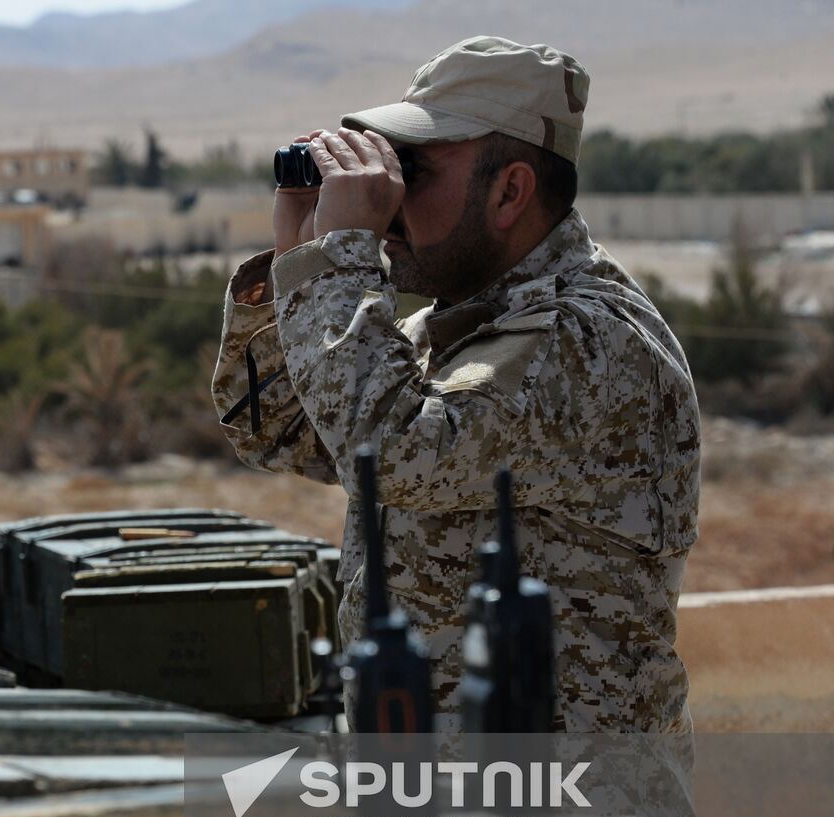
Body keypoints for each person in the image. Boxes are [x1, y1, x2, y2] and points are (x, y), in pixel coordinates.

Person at [211, 36, 701, 739]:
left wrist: (339, 269)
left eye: (414, 170)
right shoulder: (457, 329)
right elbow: (282, 433)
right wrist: (299, 260)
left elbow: (399, 452)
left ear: (509, 191)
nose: (391, 198)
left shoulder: (592, 340)